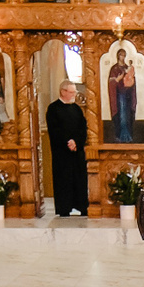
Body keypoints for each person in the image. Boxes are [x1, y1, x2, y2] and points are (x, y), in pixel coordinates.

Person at [46, 81, 88, 215]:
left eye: (74, 92)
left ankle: (82, 206)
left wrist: (76, 142)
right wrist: (68, 142)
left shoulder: (76, 109)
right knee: (63, 180)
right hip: (62, 153)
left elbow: (83, 128)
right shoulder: (53, 109)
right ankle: (64, 208)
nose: (74, 95)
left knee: (79, 179)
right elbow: (54, 130)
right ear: (63, 92)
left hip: (77, 151)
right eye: (71, 92)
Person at [107, 51, 137, 141]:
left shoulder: (127, 67)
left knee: (127, 115)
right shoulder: (114, 69)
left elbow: (132, 80)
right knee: (122, 115)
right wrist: (117, 79)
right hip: (119, 95)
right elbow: (111, 82)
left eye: (124, 55)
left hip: (128, 94)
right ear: (118, 56)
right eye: (121, 55)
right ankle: (121, 135)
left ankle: (128, 135)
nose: (122, 57)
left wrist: (131, 80)